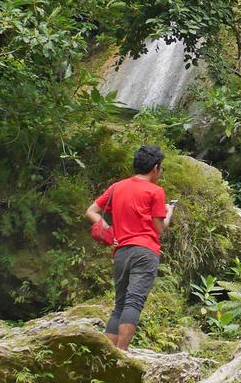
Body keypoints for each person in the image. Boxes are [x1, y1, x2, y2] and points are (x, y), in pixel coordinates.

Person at [85, 145, 176, 350]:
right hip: (145, 251)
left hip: (122, 251)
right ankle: (122, 354)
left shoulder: (117, 187)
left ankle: (109, 355)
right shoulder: (156, 191)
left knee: (120, 304)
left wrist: (110, 230)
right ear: (155, 168)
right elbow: (159, 228)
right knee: (134, 302)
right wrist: (169, 212)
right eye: (160, 169)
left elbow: (91, 211)